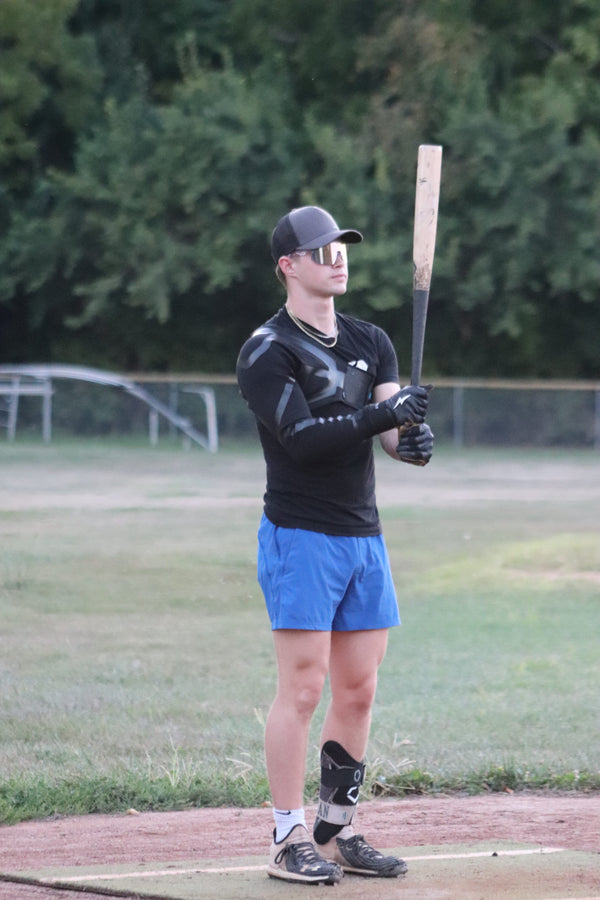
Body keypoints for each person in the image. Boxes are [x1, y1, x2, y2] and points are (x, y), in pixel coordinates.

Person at [236, 206, 433, 886]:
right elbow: (304, 438)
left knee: (358, 688)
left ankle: (335, 828)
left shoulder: (371, 339)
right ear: (288, 265)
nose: (336, 258)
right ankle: (287, 835)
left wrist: (412, 442)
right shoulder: (267, 350)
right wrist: (388, 412)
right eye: (320, 250)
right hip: (301, 534)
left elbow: (389, 437)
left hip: (362, 535)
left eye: (342, 247)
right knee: (302, 687)